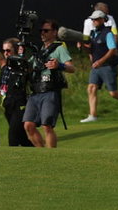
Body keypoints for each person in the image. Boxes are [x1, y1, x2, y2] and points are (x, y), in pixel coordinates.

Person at [78, 10, 118, 123]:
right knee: (91, 88)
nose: (93, 21)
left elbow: (112, 50)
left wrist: (100, 61)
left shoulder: (108, 33)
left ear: (102, 20)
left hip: (108, 66)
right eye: (92, 20)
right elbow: (89, 50)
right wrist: (82, 46)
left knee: (113, 93)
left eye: (95, 19)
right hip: (96, 66)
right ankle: (93, 115)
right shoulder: (92, 34)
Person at [23, 18, 73, 148]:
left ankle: (51, 155)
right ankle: (41, 152)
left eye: (46, 30)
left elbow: (71, 68)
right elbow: (28, 66)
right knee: (28, 125)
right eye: (41, 31)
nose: (42, 33)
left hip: (50, 91)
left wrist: (59, 65)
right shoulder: (38, 51)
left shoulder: (59, 48)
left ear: (54, 32)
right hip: (35, 91)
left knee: (47, 125)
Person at [0, 37, 33, 147]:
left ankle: (12, 160)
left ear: (16, 50)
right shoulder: (5, 68)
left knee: (13, 136)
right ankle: (38, 154)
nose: (5, 53)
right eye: (4, 50)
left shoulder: (24, 66)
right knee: (21, 137)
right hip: (8, 104)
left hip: (21, 103)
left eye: (8, 50)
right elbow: (1, 87)